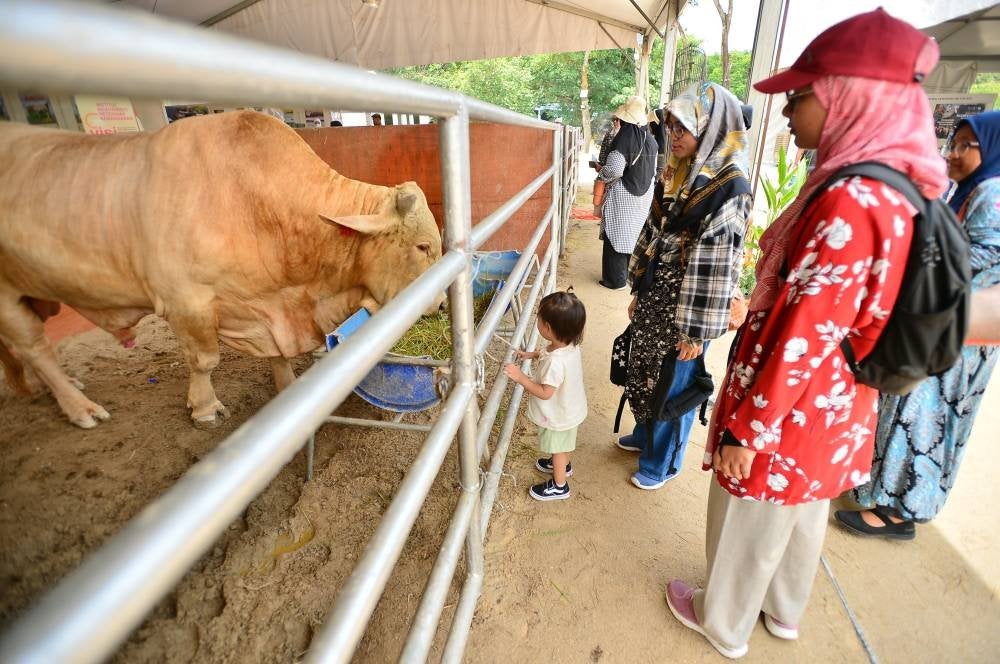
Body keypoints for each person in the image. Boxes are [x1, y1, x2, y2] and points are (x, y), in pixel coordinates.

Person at [663, 9, 948, 658]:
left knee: (752, 510)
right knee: (804, 505)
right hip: (839, 397)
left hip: (791, 399)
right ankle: (783, 611)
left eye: (800, 95)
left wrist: (748, 428)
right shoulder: (897, 189)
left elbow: (805, 331)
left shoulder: (849, 199)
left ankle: (724, 621)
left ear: (849, 95)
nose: (788, 111)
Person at [835, 111, 1000, 539]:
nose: (955, 153)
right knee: (904, 409)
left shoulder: (995, 194)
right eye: (954, 143)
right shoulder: (972, 190)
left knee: (926, 421)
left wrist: (919, 262)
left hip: (959, 335)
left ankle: (902, 511)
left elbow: (982, 260)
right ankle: (880, 491)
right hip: (938, 322)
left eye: (967, 145)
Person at [617, 82, 751, 491]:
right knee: (646, 369)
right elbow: (651, 230)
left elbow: (716, 264)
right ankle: (645, 436)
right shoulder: (677, 172)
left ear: (710, 129)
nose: (672, 135)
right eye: (670, 126)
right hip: (659, 292)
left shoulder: (730, 186)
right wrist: (638, 287)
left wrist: (695, 331)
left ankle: (663, 460)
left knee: (676, 382)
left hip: (692, 302)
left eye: (682, 128)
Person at [503, 290, 588, 501]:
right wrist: (530, 354)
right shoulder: (569, 345)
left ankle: (560, 485)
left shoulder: (555, 363)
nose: (537, 322)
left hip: (559, 414)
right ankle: (562, 465)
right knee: (562, 444)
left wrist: (520, 377)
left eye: (539, 320)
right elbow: (547, 352)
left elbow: (545, 393)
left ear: (547, 328)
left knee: (558, 446)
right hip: (570, 409)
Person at [596, 97, 658, 290]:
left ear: (624, 120)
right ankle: (626, 277)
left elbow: (614, 169)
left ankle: (614, 281)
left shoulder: (625, 137)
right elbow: (654, 171)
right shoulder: (651, 141)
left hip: (624, 194)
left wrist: (601, 174)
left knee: (615, 235)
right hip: (643, 195)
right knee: (630, 236)